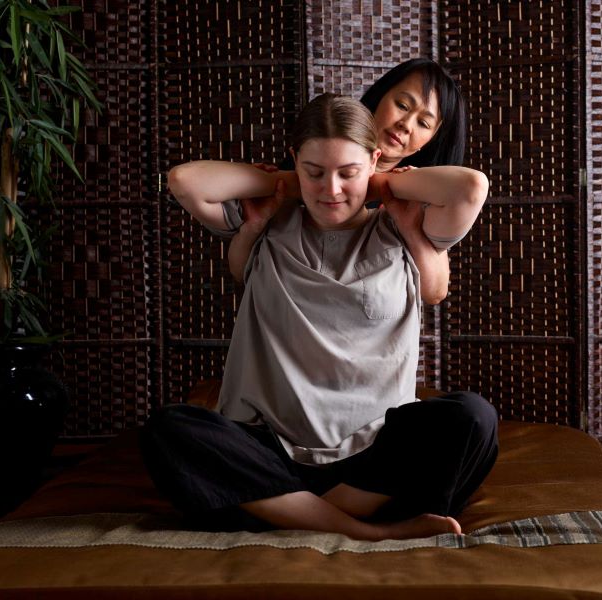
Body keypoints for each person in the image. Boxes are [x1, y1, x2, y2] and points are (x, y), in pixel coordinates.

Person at [141, 93, 497, 541]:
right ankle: (363, 531)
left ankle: (290, 514)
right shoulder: (266, 224)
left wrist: (377, 185)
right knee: (170, 429)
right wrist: (286, 186)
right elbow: (183, 180)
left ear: (375, 161)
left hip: (371, 462)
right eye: (314, 172)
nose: (331, 190)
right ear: (294, 163)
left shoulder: (403, 229)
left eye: (348, 172)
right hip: (269, 449)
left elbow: (470, 187)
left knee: (472, 417)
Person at [228, 58, 466, 305]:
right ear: (381, 96)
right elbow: (243, 271)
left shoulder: (416, 200)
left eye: (424, 123)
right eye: (402, 105)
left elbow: (434, 292)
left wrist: (411, 227)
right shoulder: (314, 158)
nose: (405, 125)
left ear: (431, 139)